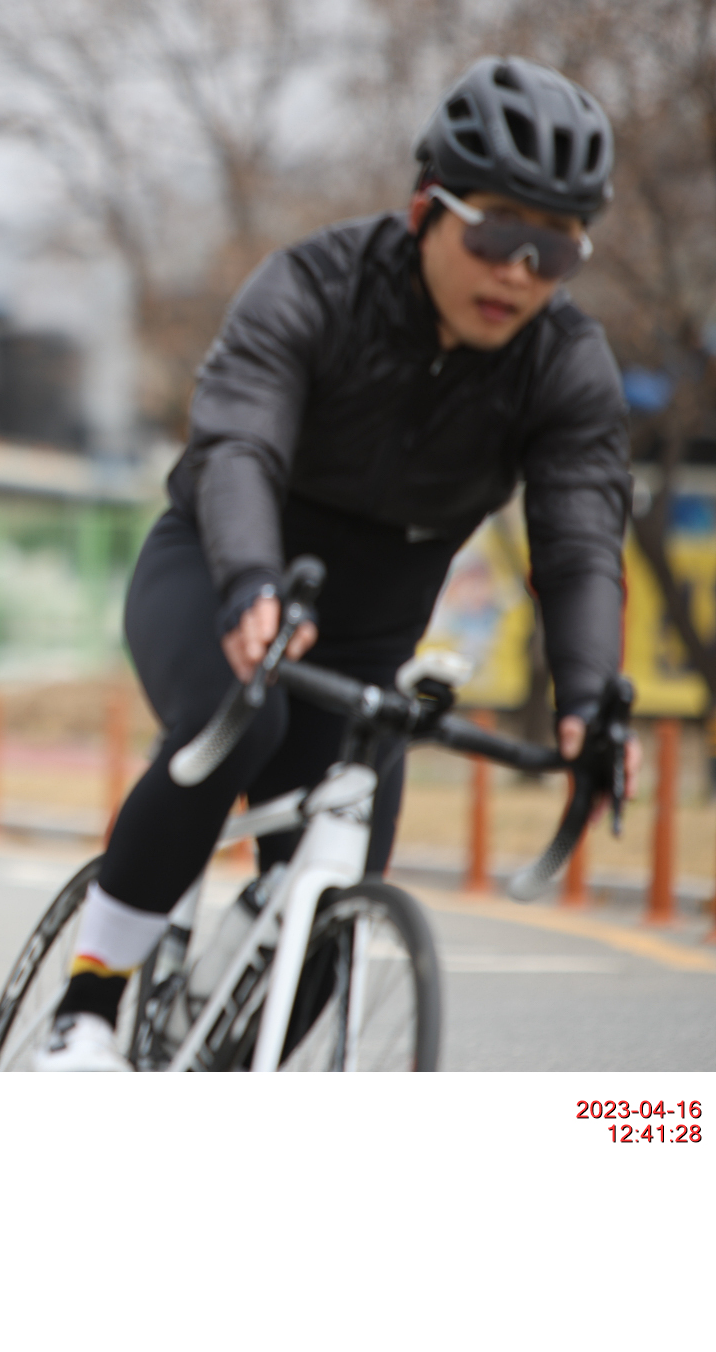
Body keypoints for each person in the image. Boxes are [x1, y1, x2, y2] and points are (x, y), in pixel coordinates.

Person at [38, 55, 644, 1070]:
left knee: (336, 895)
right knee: (241, 723)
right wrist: (250, 581)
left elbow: (580, 537)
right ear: (426, 207)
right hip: (221, 568)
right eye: (497, 233)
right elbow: (240, 445)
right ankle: (84, 1011)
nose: (518, 272)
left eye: (554, 249)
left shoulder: (564, 363)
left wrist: (589, 694)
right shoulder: (316, 285)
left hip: (369, 638)